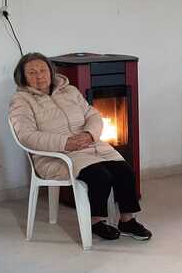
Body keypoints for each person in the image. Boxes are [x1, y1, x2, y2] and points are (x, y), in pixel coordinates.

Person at [9, 52, 151, 241]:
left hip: (89, 145)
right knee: (99, 176)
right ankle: (96, 223)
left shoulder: (70, 91)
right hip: (56, 155)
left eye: (43, 70)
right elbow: (26, 136)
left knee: (124, 170)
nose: (39, 76)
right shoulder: (21, 101)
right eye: (32, 72)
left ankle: (127, 221)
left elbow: (93, 115)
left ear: (51, 72)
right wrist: (65, 143)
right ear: (23, 77)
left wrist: (89, 134)